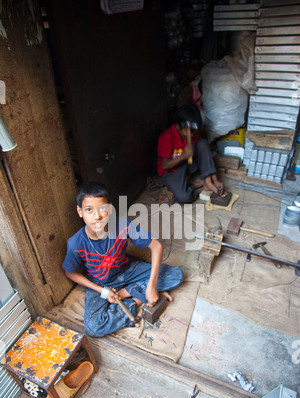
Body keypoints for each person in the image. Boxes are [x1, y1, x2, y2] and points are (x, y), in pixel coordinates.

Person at [62, 181, 184, 337]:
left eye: (102, 209)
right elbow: (70, 273)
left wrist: (152, 286)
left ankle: (128, 292)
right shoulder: (75, 243)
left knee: (176, 275)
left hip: (127, 269)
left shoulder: (122, 224)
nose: (97, 216)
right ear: (80, 211)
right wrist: (103, 291)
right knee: (93, 327)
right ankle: (136, 300)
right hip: (100, 282)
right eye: (89, 210)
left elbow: (156, 246)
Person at [157, 105, 226, 203]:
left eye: (194, 131)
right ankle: (191, 185)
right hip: (171, 171)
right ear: (177, 126)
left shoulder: (193, 134)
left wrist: (215, 180)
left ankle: (208, 181)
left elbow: (204, 154)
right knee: (184, 197)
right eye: (190, 131)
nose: (193, 133)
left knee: (202, 143)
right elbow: (164, 166)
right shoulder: (166, 138)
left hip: (188, 165)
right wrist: (183, 156)